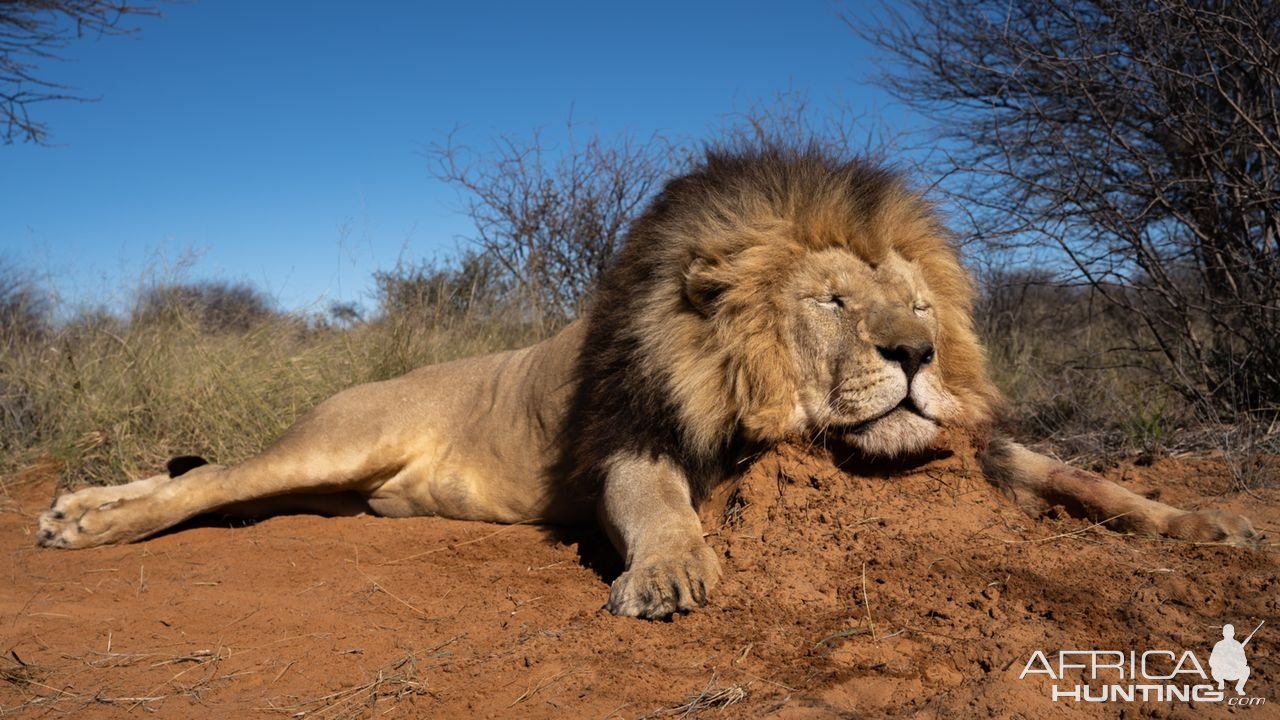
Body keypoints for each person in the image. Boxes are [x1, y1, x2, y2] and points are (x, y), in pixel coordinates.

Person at [1209, 624, 1250, 696]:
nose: (1228, 634)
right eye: (1226, 632)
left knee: (1246, 669)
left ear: (1233, 634)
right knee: (1214, 669)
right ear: (1223, 633)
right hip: (1221, 672)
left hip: (1232, 672)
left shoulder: (1237, 645)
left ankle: (1239, 687)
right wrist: (1221, 662)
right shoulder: (1219, 645)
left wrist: (1235, 661)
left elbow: (1244, 661)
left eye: (1230, 632)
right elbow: (1212, 661)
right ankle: (1221, 682)